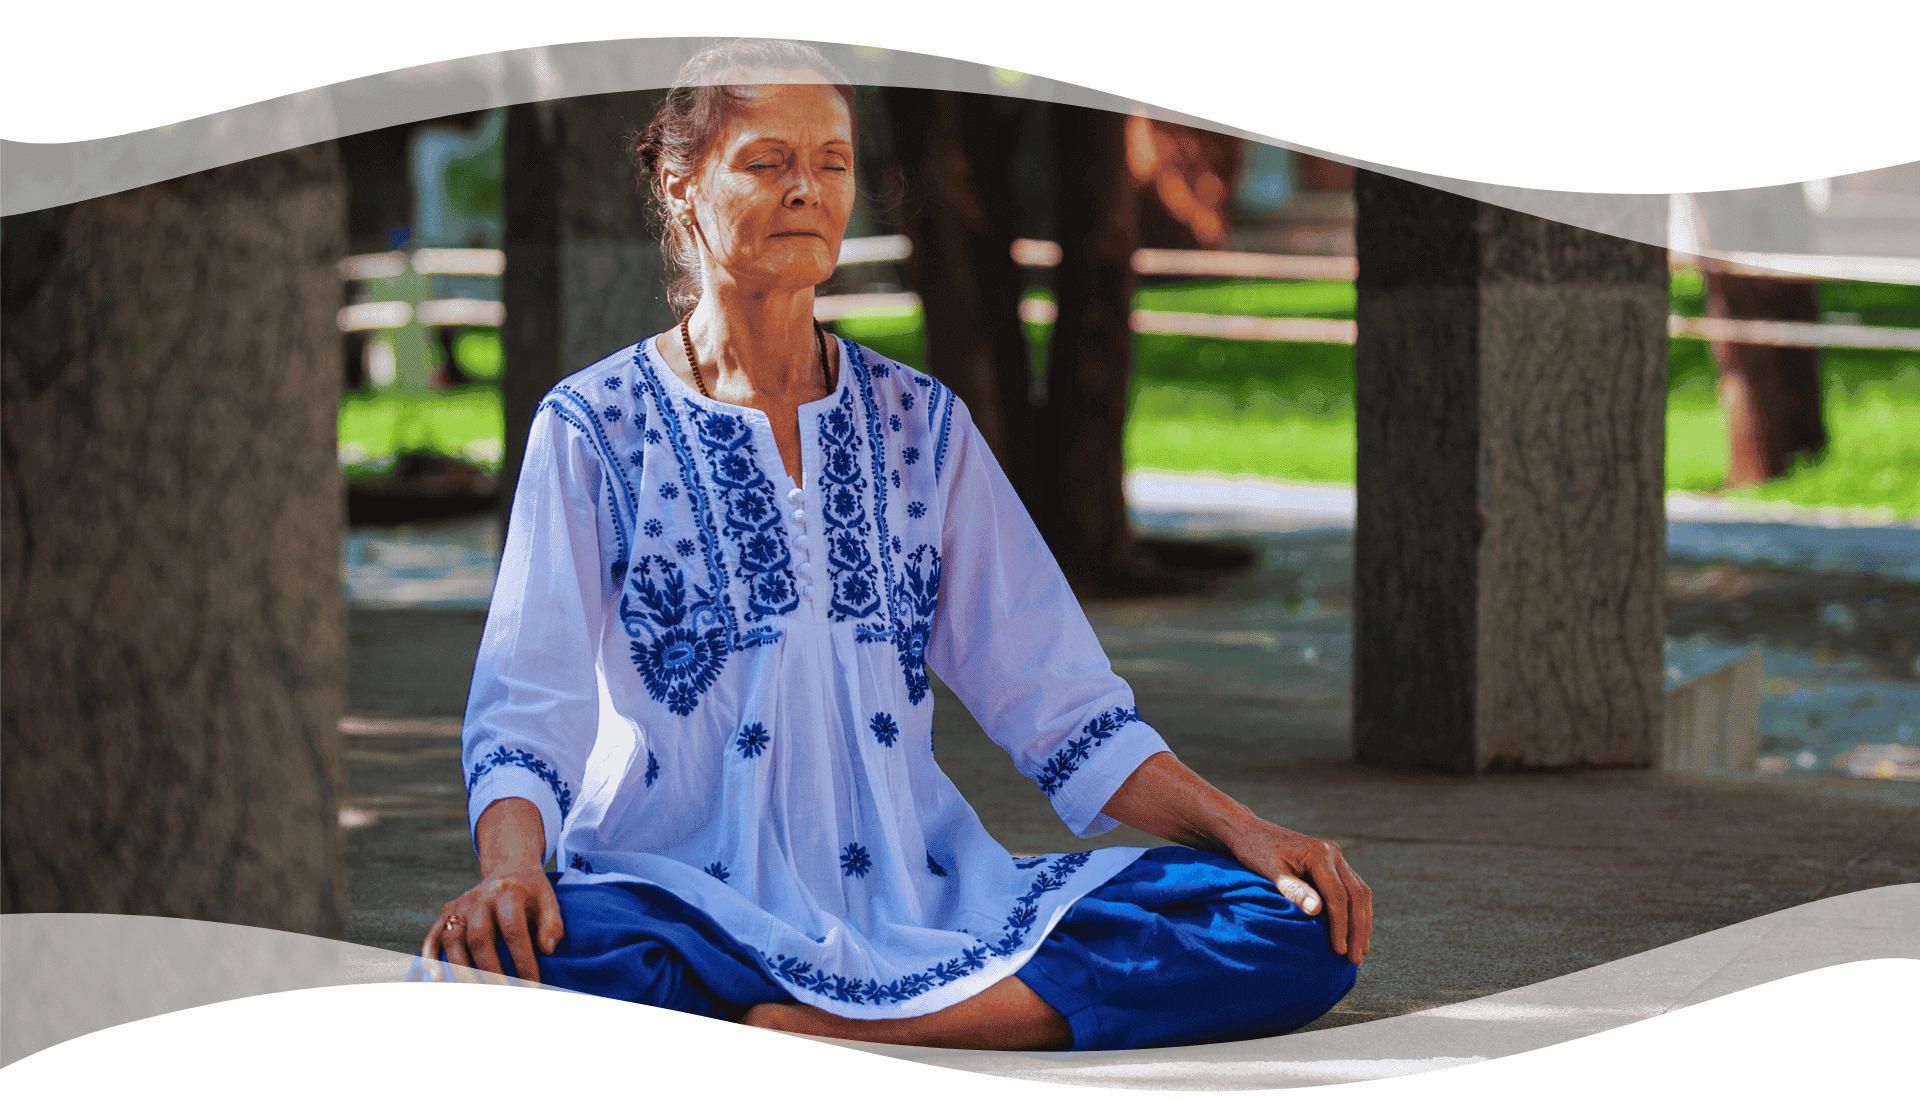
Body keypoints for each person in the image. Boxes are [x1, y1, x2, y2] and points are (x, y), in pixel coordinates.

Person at [414, 38, 1369, 1051]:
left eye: (832, 163)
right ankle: (926, 1020)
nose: (807, 191)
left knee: (1291, 920)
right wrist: (513, 872)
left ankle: (842, 1027)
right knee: (494, 968)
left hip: (931, 900)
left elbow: (1060, 704)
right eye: (767, 161)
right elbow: (529, 704)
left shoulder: (923, 424)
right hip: (682, 898)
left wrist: (1248, 831)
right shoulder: (594, 426)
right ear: (679, 179)